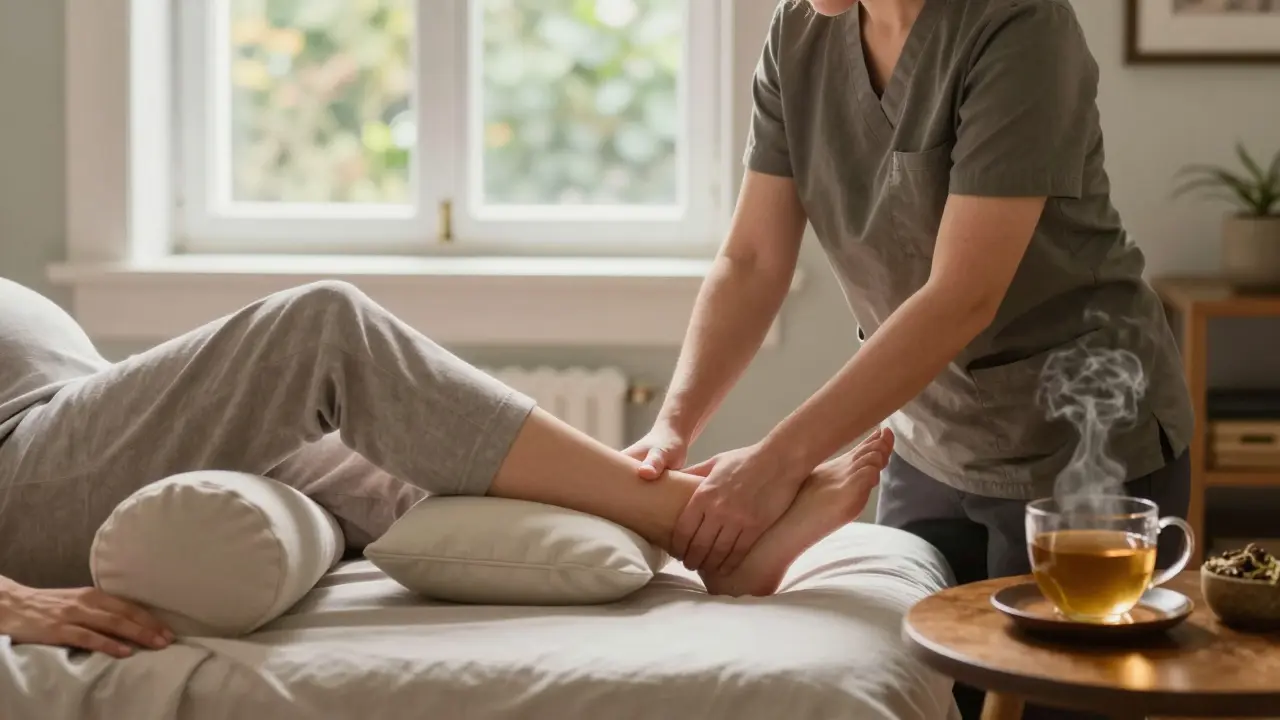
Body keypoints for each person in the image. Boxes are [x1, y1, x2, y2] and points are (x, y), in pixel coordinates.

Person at [622, 0, 1193, 717]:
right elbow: (752, 259)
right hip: (925, 439)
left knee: (1054, 704)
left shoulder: (1019, 25)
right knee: (924, 690)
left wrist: (775, 466)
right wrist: (672, 428)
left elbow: (962, 295)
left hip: (1077, 437)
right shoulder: (799, 31)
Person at [0, 277, 893, 660]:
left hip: (53, 439)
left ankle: (680, 535)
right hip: (21, 475)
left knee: (396, 470)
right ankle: (698, 518)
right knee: (319, 327)